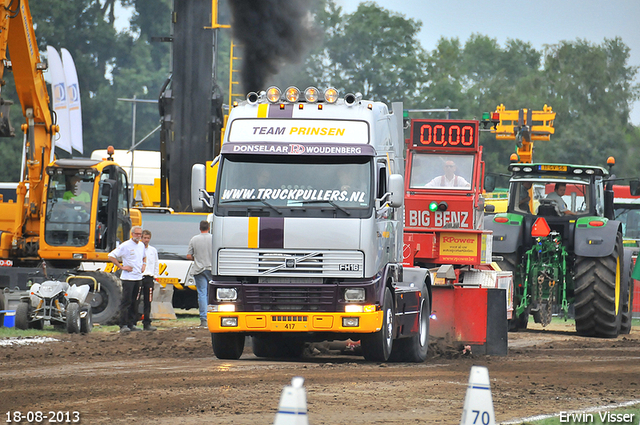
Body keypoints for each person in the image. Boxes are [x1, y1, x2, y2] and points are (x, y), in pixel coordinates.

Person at [108, 226, 146, 333]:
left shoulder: (141, 245)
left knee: (135, 301)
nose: (138, 236)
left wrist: (144, 264)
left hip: (138, 277)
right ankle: (123, 324)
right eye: (137, 234)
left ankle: (132, 323)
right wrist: (121, 267)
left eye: (140, 234)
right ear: (132, 234)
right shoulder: (125, 245)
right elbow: (111, 256)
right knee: (126, 301)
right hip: (128, 278)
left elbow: (144, 256)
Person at [187, 220, 213, 328]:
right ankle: (214, 317)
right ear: (209, 227)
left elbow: (189, 256)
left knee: (202, 294)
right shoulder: (214, 238)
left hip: (199, 269)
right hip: (212, 269)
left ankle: (204, 320)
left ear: (199, 228)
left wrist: (197, 258)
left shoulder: (194, 239)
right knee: (212, 295)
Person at [139, 229, 158, 331]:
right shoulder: (138, 249)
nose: (146, 240)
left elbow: (156, 263)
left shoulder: (153, 250)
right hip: (138, 277)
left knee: (148, 301)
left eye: (148, 238)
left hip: (149, 277)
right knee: (136, 299)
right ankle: (132, 322)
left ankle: (147, 323)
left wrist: (155, 276)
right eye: (144, 238)